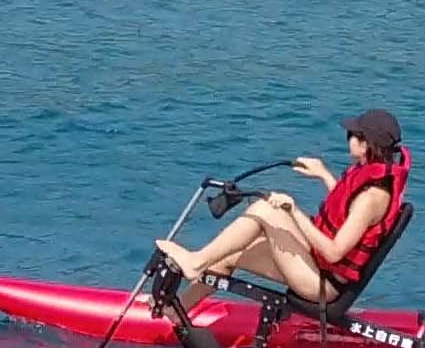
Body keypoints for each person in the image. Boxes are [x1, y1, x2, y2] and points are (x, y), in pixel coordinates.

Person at [155, 108, 410, 310]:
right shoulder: (370, 183)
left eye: (353, 135)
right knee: (228, 254)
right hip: (317, 264)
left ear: (365, 145)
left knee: (268, 210)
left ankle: (196, 261)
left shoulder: (372, 198)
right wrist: (323, 175)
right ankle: (177, 313)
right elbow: (347, 214)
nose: (349, 138)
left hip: (323, 284)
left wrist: (294, 211)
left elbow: (334, 253)